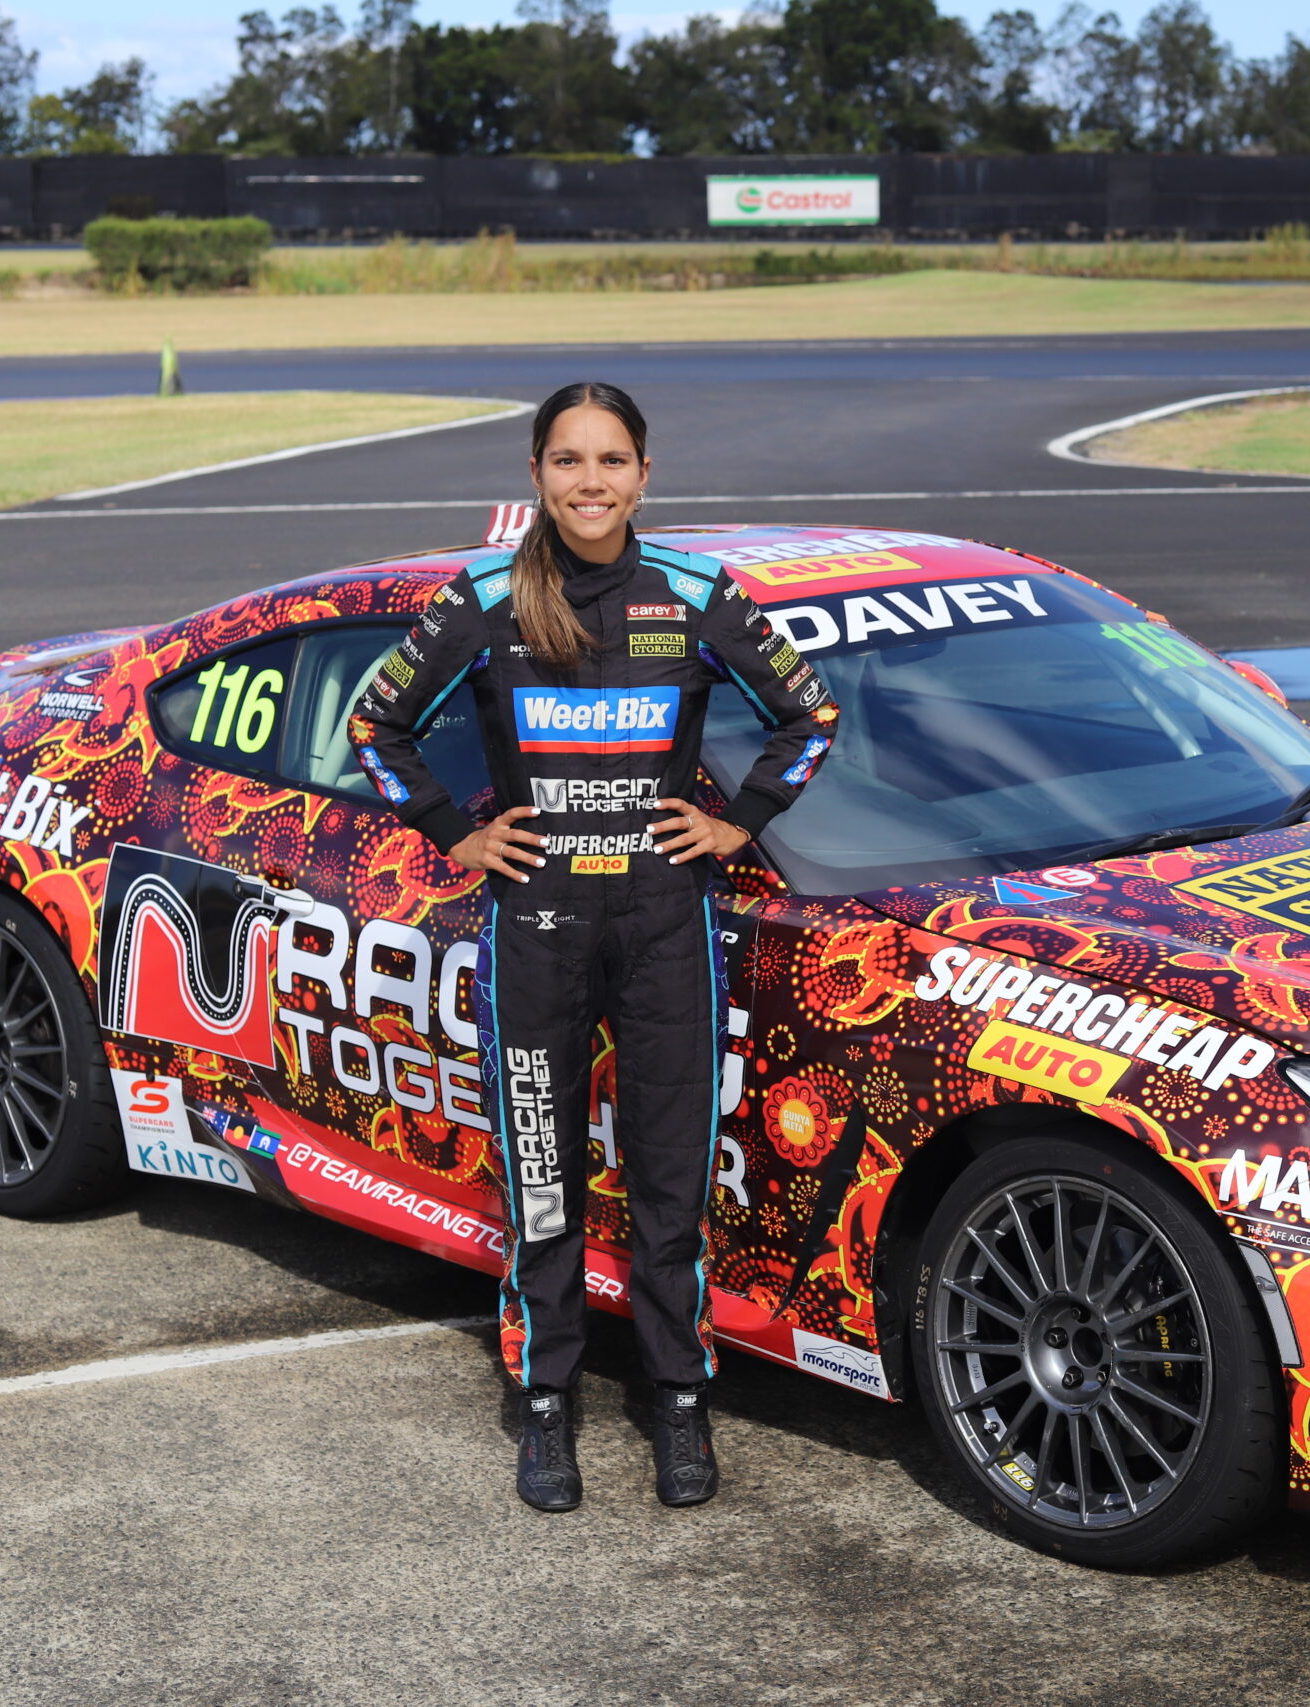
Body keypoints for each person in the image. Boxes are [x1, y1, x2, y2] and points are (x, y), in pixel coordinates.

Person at [349, 382, 836, 1511]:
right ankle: (545, 1402)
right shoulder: (480, 599)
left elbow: (811, 715)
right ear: (536, 476)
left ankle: (677, 1397)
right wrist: (456, 835)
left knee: (671, 1183)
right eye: (567, 461)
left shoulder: (699, 595)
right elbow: (377, 723)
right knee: (543, 1181)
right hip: (538, 930)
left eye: (611, 461)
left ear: (644, 477)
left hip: (667, 931)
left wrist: (735, 823)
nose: (589, 482)